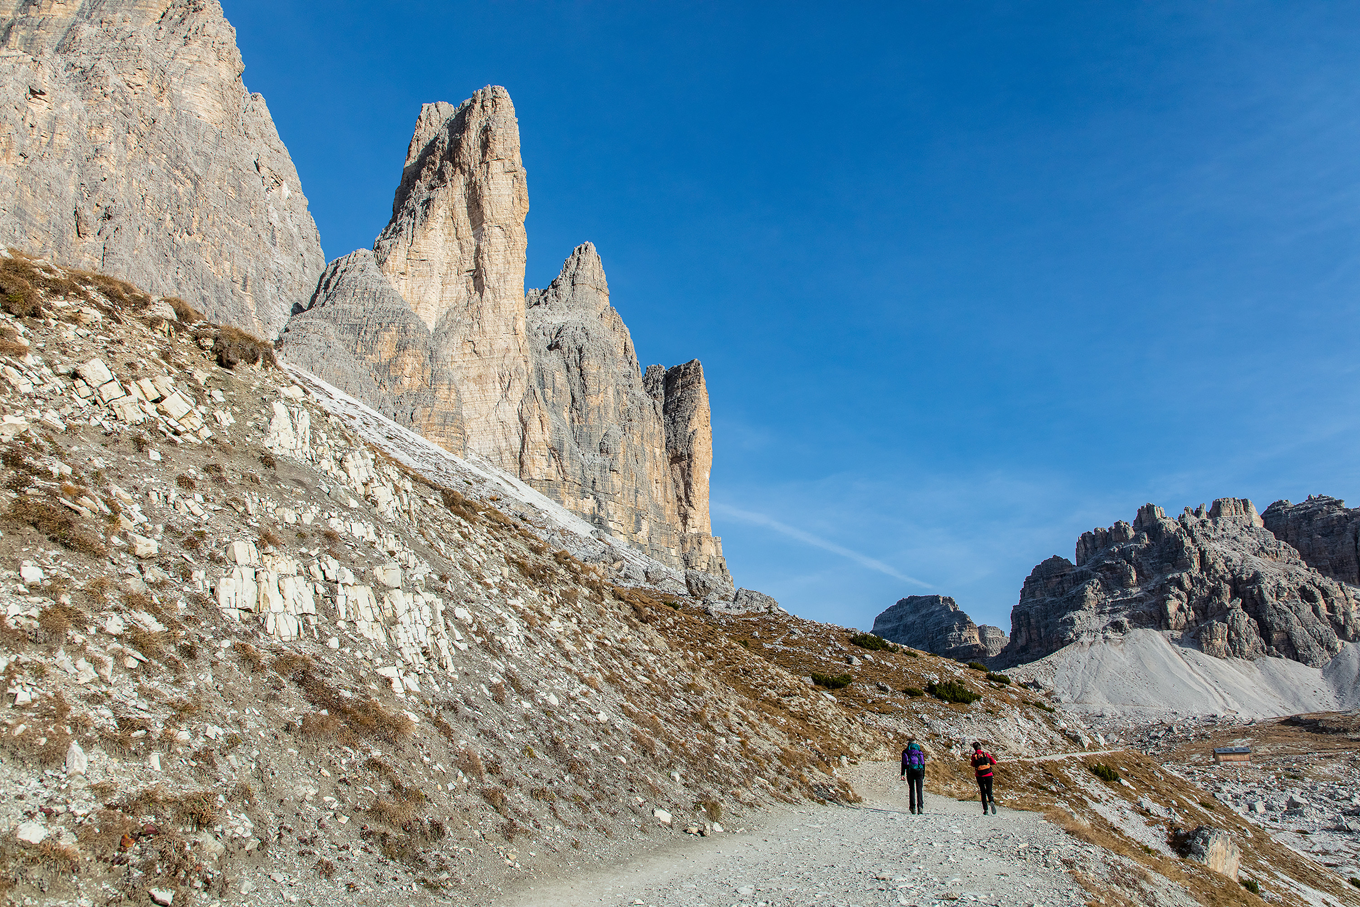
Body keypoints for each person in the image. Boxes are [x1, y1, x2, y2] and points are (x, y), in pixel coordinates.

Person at [970, 741, 998, 814]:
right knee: (989, 790)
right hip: (989, 774)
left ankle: (985, 809)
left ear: (974, 748)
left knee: (983, 791)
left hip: (979, 775)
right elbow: (994, 762)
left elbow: (972, 764)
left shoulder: (974, 756)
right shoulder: (986, 754)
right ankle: (991, 801)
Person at [900, 735, 926, 814]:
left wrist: (903, 773)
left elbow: (904, 763)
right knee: (919, 790)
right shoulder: (919, 751)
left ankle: (912, 807)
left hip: (910, 771)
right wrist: (923, 774)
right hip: (919, 771)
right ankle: (920, 807)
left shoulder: (906, 751)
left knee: (911, 789)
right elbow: (923, 763)